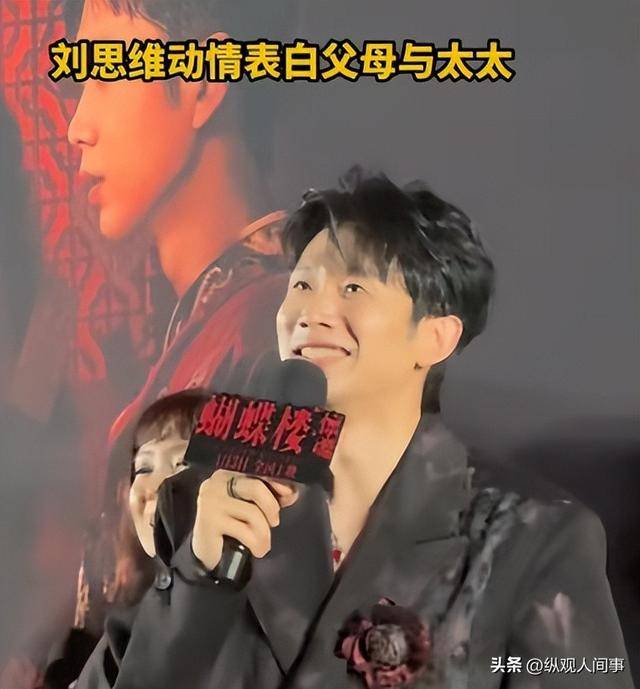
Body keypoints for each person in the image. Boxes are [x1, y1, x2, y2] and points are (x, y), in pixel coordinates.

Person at [76, 168, 633, 688]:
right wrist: (197, 579)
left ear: (436, 337)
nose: (310, 313)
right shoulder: (200, 499)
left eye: (353, 289)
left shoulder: (531, 537)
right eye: (301, 286)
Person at [61, 0, 297, 641]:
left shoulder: (267, 331)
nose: (77, 127)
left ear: (203, 84)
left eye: (104, 78)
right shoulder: (214, 319)